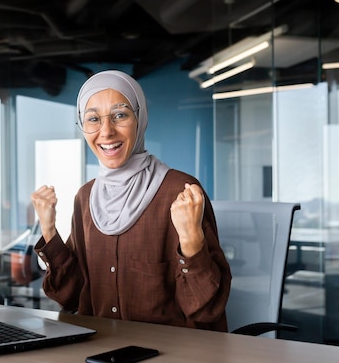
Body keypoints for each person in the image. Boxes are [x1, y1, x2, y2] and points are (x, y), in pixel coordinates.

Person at [30, 70, 231, 331]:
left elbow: (207, 309)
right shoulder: (85, 198)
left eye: (120, 115)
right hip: (101, 349)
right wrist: (48, 230)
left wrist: (192, 240)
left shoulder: (180, 192)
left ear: (140, 118)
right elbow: (69, 296)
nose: (106, 131)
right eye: (93, 119)